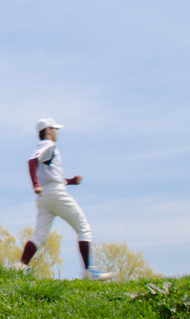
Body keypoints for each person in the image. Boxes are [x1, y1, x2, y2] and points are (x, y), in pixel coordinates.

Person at [13, 118, 115, 281]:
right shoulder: (48, 145)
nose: (57, 132)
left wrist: (71, 181)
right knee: (83, 227)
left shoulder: (45, 147)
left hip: (44, 197)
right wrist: (35, 184)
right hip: (54, 193)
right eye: (55, 129)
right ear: (48, 130)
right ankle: (89, 271)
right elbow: (32, 161)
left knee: (40, 236)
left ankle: (20, 267)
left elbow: (50, 175)